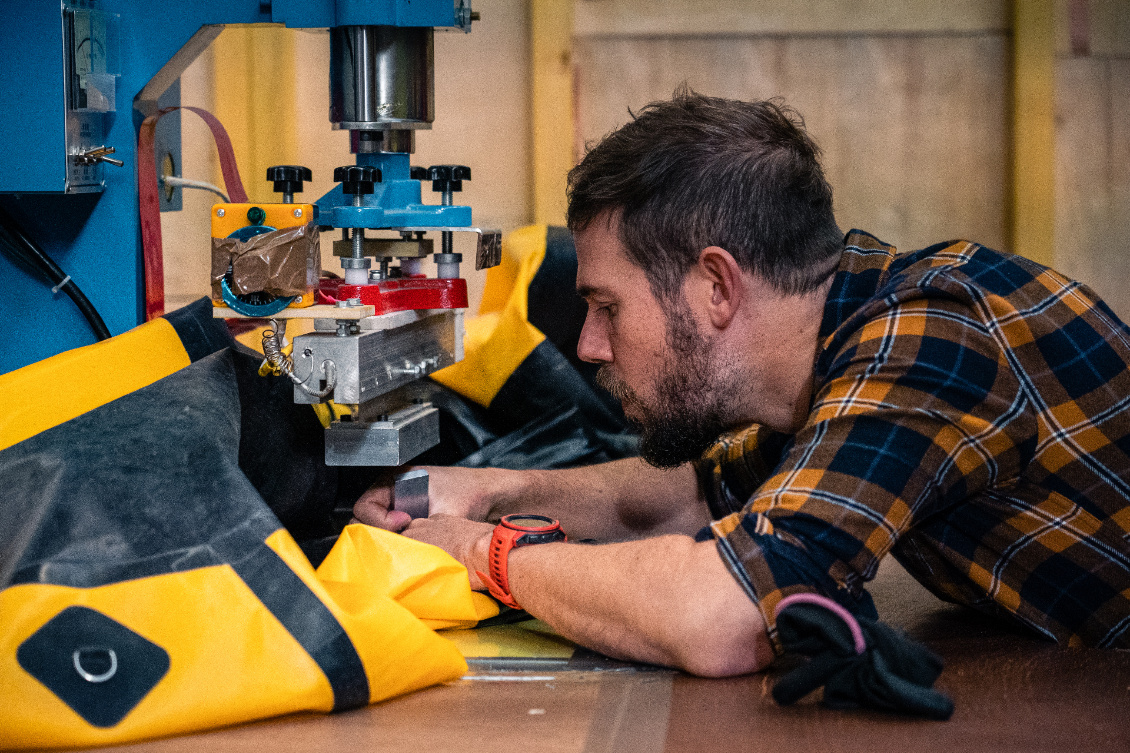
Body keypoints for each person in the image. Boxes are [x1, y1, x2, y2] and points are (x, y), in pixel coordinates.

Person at [353, 91, 1130, 676]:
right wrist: (484, 491)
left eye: (605, 307)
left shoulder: (935, 334)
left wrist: (485, 553)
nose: (589, 346)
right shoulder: (835, 366)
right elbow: (685, 495)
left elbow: (721, 615)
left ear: (716, 287)